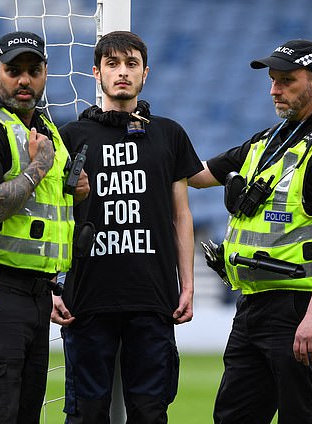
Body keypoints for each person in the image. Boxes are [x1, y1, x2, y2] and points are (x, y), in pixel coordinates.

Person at [188, 39, 312, 423]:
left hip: (298, 308)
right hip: (253, 304)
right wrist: (156, 138)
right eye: (272, 80)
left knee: (301, 416)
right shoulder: (268, 140)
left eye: (286, 80)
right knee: (233, 417)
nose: (274, 89)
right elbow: (198, 175)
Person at [52, 31, 202, 423]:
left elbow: (180, 215)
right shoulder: (71, 137)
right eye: (113, 64)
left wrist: (188, 284)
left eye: (131, 64)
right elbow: (54, 215)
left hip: (153, 296)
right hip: (86, 297)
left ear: (145, 73)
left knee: (150, 413)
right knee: (86, 413)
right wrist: (54, 283)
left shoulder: (169, 133)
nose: (122, 72)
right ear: (96, 72)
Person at [0, 31, 87, 424]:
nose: (24, 80)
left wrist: (77, 189)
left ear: (46, 73)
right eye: (13, 70)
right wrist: (38, 167)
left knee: (25, 411)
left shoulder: (46, 128)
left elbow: (45, 209)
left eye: (33, 70)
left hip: (37, 293)